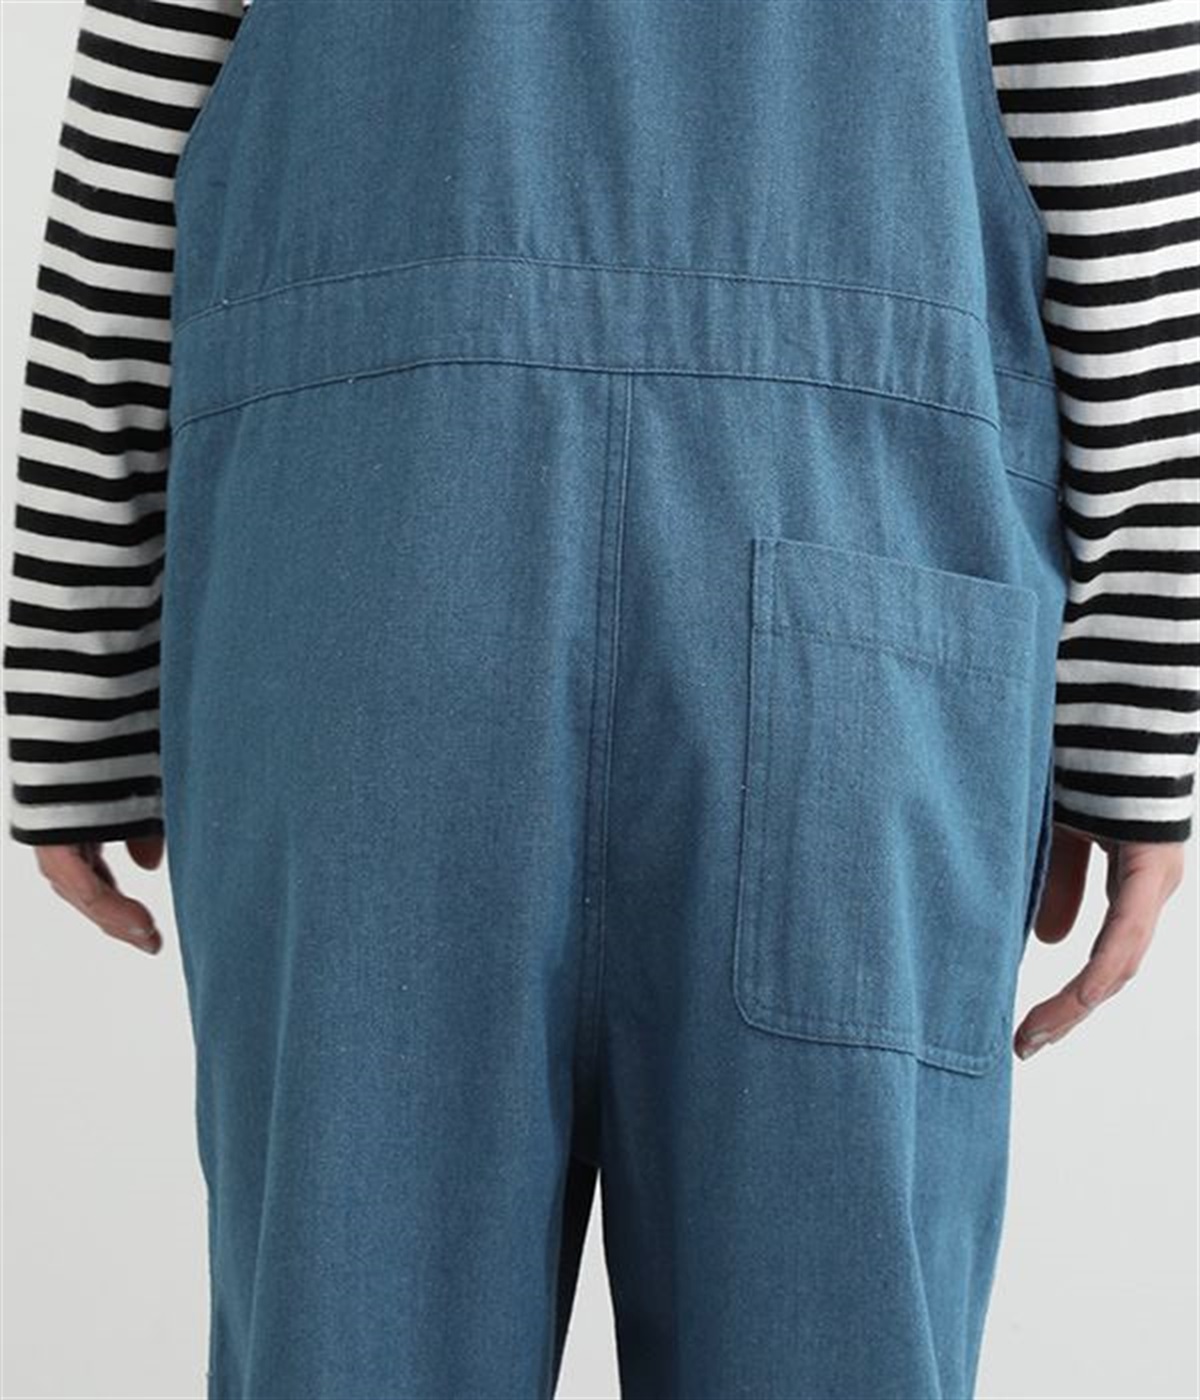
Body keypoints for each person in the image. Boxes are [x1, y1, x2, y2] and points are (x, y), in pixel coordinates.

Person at [4, 1, 1196, 1397]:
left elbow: (131, 160)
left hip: (365, 589)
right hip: (857, 606)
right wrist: (1132, 711)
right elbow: (1121, 186)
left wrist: (76, 677)